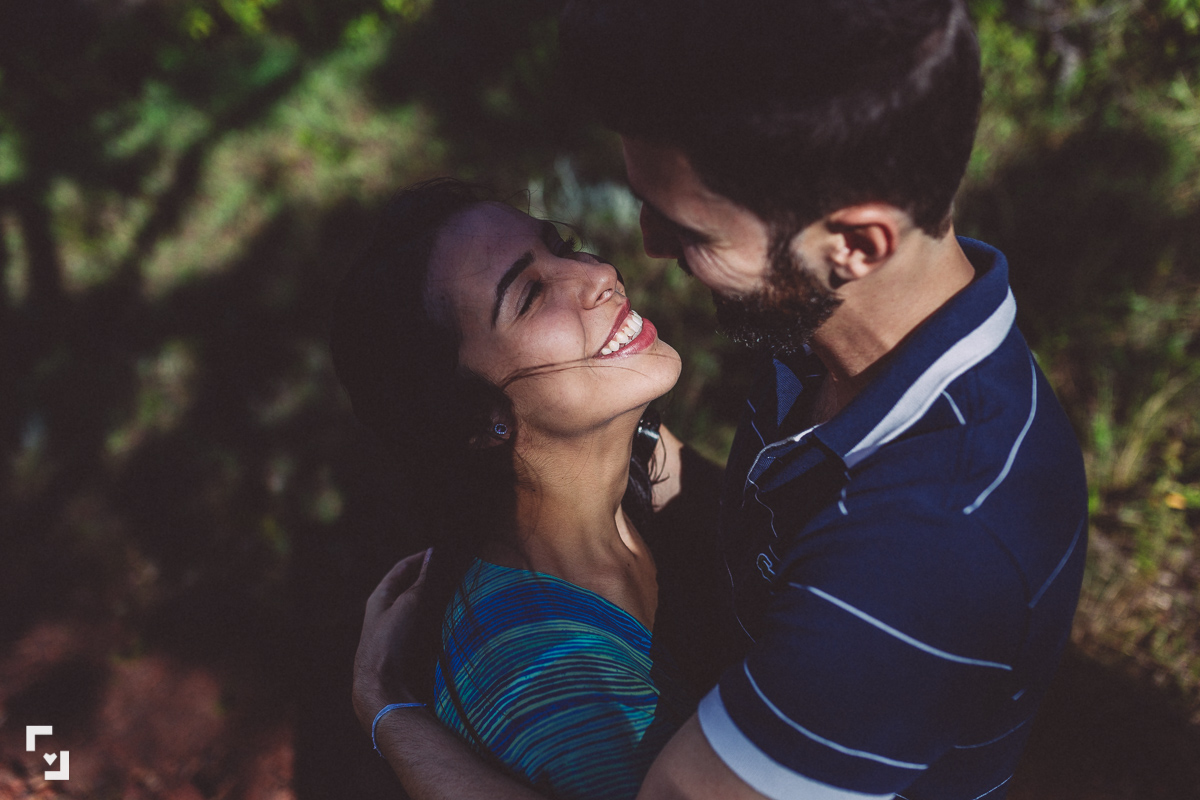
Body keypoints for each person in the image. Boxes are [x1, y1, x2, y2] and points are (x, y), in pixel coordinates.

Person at [351, 1, 1089, 798]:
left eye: (692, 233)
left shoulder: (924, 558)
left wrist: (391, 715)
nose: (641, 252)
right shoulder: (827, 335)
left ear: (854, 243)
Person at [332, 178, 736, 799]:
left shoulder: (635, 457)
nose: (598, 272)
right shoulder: (560, 680)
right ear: (479, 419)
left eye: (562, 247)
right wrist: (385, 714)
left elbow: (741, 513)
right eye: (529, 295)